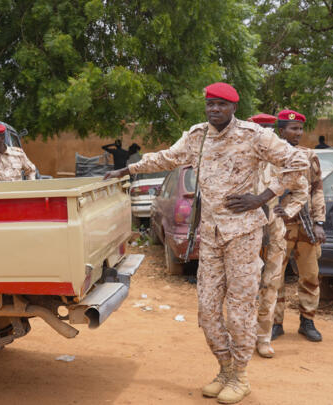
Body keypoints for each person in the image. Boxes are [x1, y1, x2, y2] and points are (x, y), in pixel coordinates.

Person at [105, 83, 309, 404]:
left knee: (239, 311)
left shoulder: (254, 135)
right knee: (208, 310)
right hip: (210, 235)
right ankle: (224, 369)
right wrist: (127, 168)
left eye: (221, 105)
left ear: (233, 108)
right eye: (210, 105)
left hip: (243, 233)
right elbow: (168, 157)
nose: (214, 110)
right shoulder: (198, 137)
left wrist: (261, 197)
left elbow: (298, 163)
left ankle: (240, 376)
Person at [249, 113, 309, 359]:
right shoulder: (242, 158)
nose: (264, 135)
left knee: (272, 282)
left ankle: (263, 338)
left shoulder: (283, 158)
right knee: (244, 285)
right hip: (245, 229)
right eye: (259, 129)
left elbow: (301, 190)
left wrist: (288, 211)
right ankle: (242, 335)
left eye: (267, 130)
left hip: (274, 229)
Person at [270, 110, 327, 344]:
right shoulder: (270, 156)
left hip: (305, 226)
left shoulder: (309, 155)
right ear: (281, 131)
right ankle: (275, 323)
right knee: (274, 278)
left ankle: (307, 321)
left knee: (310, 276)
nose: (298, 133)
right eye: (293, 129)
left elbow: (317, 190)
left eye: (300, 129)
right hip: (278, 226)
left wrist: (319, 223)